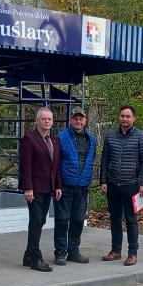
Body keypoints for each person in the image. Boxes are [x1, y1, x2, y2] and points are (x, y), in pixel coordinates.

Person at [99, 105, 143, 266]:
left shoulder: (141, 137)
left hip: (132, 185)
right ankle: (115, 251)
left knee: (131, 219)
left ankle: (132, 253)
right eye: (122, 116)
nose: (125, 119)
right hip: (113, 184)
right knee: (115, 219)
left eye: (128, 116)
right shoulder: (110, 136)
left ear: (134, 118)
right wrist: (103, 180)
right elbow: (104, 160)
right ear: (119, 117)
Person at [19, 107, 62, 272]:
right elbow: (25, 167)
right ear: (37, 121)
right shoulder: (29, 140)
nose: (47, 121)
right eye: (43, 119)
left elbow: (56, 165)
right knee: (36, 222)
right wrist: (28, 188)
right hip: (35, 189)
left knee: (40, 221)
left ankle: (28, 255)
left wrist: (58, 185)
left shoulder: (55, 140)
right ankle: (36, 259)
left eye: (49, 119)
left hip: (48, 188)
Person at [54, 107, 96, 266]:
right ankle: (60, 252)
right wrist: (57, 184)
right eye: (75, 118)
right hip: (65, 185)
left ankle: (74, 251)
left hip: (82, 186)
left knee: (78, 219)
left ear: (85, 121)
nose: (78, 121)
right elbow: (55, 164)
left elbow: (91, 160)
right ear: (70, 120)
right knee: (62, 219)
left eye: (81, 118)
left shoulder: (91, 138)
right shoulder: (61, 137)